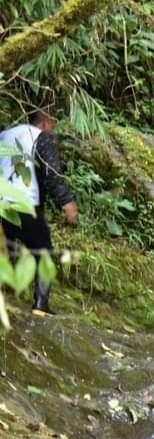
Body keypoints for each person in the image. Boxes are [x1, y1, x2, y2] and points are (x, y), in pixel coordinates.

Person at [0, 104, 78, 316]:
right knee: (43, 249)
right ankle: (40, 305)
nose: (52, 129)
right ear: (45, 121)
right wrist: (67, 203)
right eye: (52, 124)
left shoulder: (5, 134)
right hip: (24, 203)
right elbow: (52, 175)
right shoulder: (41, 138)